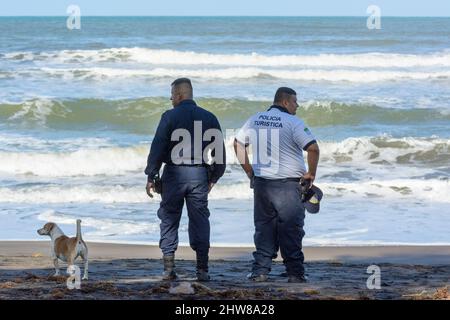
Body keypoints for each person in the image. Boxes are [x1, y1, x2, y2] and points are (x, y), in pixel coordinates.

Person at [234, 87, 319, 283]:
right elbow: (313, 148)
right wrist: (311, 174)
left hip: (263, 184)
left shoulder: (255, 119)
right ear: (286, 102)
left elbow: (238, 144)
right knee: (291, 229)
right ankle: (295, 273)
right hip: (289, 186)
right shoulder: (293, 122)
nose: (297, 106)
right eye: (295, 102)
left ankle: (260, 272)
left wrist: (249, 171)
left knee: (264, 228)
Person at [145, 78, 226, 281]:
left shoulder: (169, 116)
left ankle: (168, 268)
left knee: (169, 218)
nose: (171, 98)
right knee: (200, 220)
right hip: (199, 174)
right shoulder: (210, 117)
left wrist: (152, 175)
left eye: (172, 94)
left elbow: (158, 147)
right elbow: (220, 154)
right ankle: (202, 269)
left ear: (180, 95)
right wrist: (213, 177)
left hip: (173, 174)